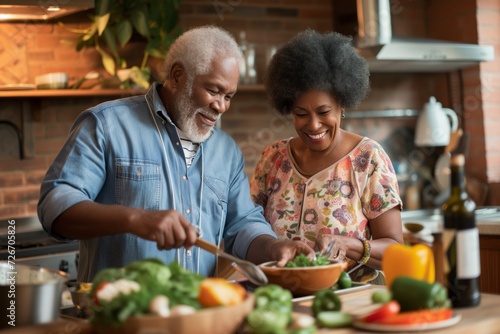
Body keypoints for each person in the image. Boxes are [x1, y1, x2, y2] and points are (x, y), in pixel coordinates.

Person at [37, 25, 314, 282]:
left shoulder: (226, 151)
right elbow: (55, 207)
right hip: (120, 317)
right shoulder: (107, 125)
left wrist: (275, 246)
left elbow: (242, 225)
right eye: (213, 90)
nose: (221, 107)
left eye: (229, 96)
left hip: (198, 315)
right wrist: (136, 219)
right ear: (177, 76)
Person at [250, 30, 403, 281]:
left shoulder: (368, 158)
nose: (313, 125)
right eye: (301, 114)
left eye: (324, 112)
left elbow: (396, 250)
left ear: (342, 106)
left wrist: (350, 245)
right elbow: (248, 231)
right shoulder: (273, 158)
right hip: (280, 297)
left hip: (347, 296)